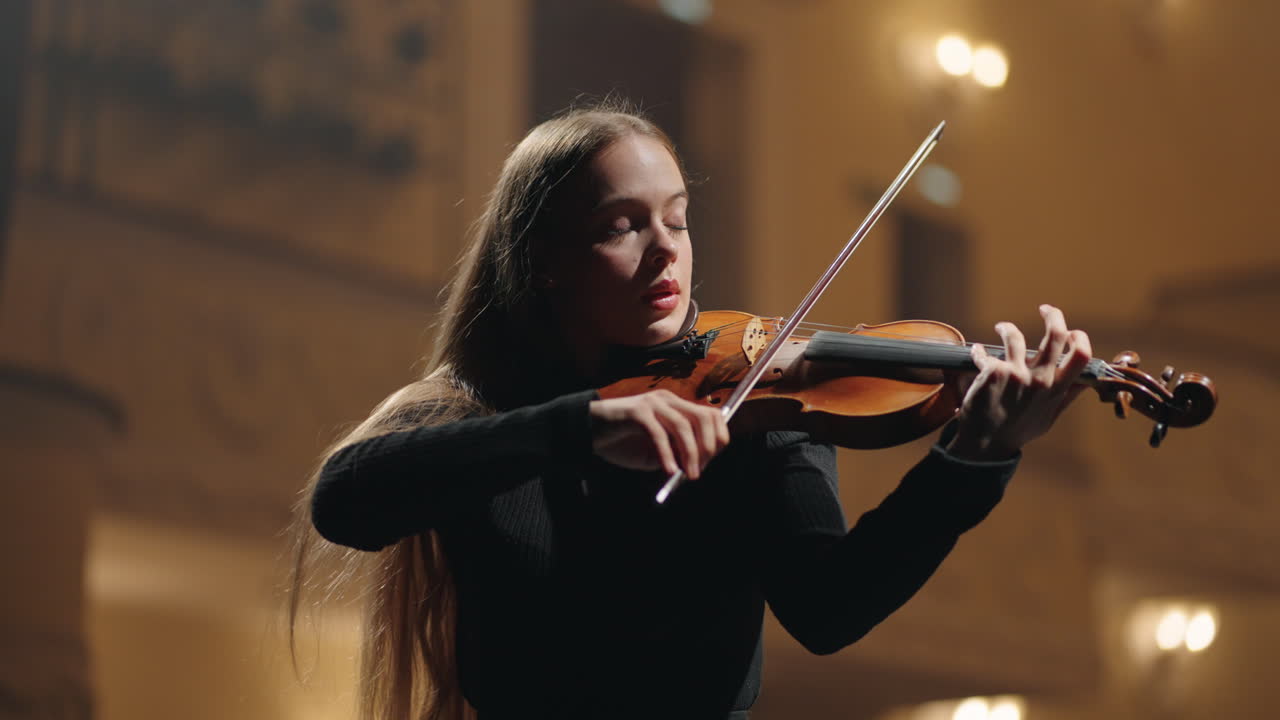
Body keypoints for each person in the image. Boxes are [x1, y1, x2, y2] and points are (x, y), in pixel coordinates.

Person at [287, 100, 1092, 720]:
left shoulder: (759, 406)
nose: (666, 248)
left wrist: (975, 456)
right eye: (623, 226)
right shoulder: (481, 419)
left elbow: (830, 608)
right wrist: (582, 425)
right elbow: (344, 499)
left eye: (677, 218)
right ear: (543, 265)